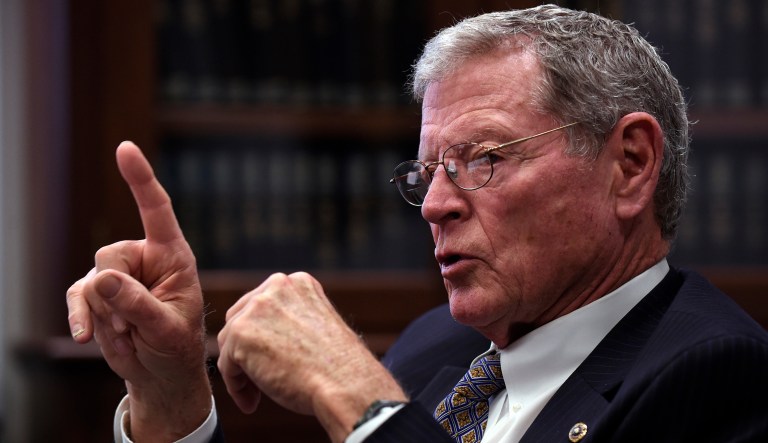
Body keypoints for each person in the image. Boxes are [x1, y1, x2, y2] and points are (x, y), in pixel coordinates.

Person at [66, 4, 768, 443]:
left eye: (484, 158)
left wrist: (364, 403)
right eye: (426, 172)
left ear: (630, 165)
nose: (434, 205)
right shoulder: (435, 348)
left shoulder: (720, 377)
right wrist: (172, 402)